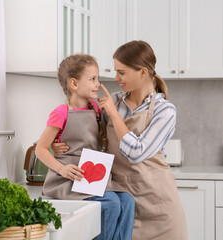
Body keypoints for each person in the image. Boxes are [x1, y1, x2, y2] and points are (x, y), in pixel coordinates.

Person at [53, 41, 188, 240]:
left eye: (121, 72)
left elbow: (137, 153)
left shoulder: (165, 111)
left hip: (158, 205)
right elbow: (90, 135)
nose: (116, 78)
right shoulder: (113, 101)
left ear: (142, 72)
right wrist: (57, 143)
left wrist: (115, 115)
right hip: (123, 200)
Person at [35, 54, 135, 240]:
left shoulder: (96, 108)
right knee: (111, 203)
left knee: (127, 200)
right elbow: (40, 149)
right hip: (69, 178)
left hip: (91, 176)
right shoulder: (61, 112)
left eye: (97, 79)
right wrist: (61, 168)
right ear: (74, 84)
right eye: (92, 79)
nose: (97, 84)